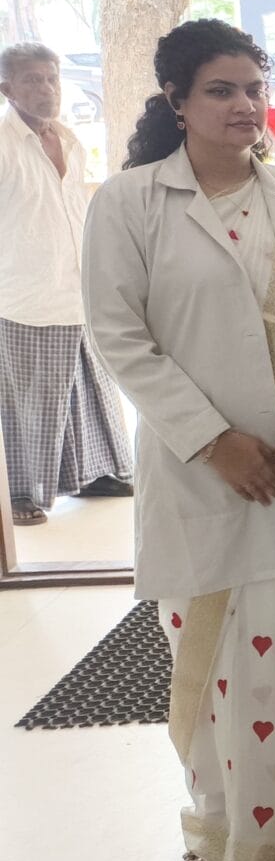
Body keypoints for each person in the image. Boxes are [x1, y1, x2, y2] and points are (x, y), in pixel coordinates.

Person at [82, 19, 275, 861]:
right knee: (216, 665)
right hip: (204, 480)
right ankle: (223, 827)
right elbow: (120, 339)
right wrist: (214, 443)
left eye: (254, 88)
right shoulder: (129, 203)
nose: (244, 105)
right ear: (176, 100)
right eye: (221, 90)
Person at [0, 42, 133, 526]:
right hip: (25, 293)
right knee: (29, 400)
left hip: (78, 285)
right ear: (7, 88)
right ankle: (20, 493)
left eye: (52, 78)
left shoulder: (69, 139)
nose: (46, 89)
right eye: (32, 80)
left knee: (90, 385)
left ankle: (98, 473)